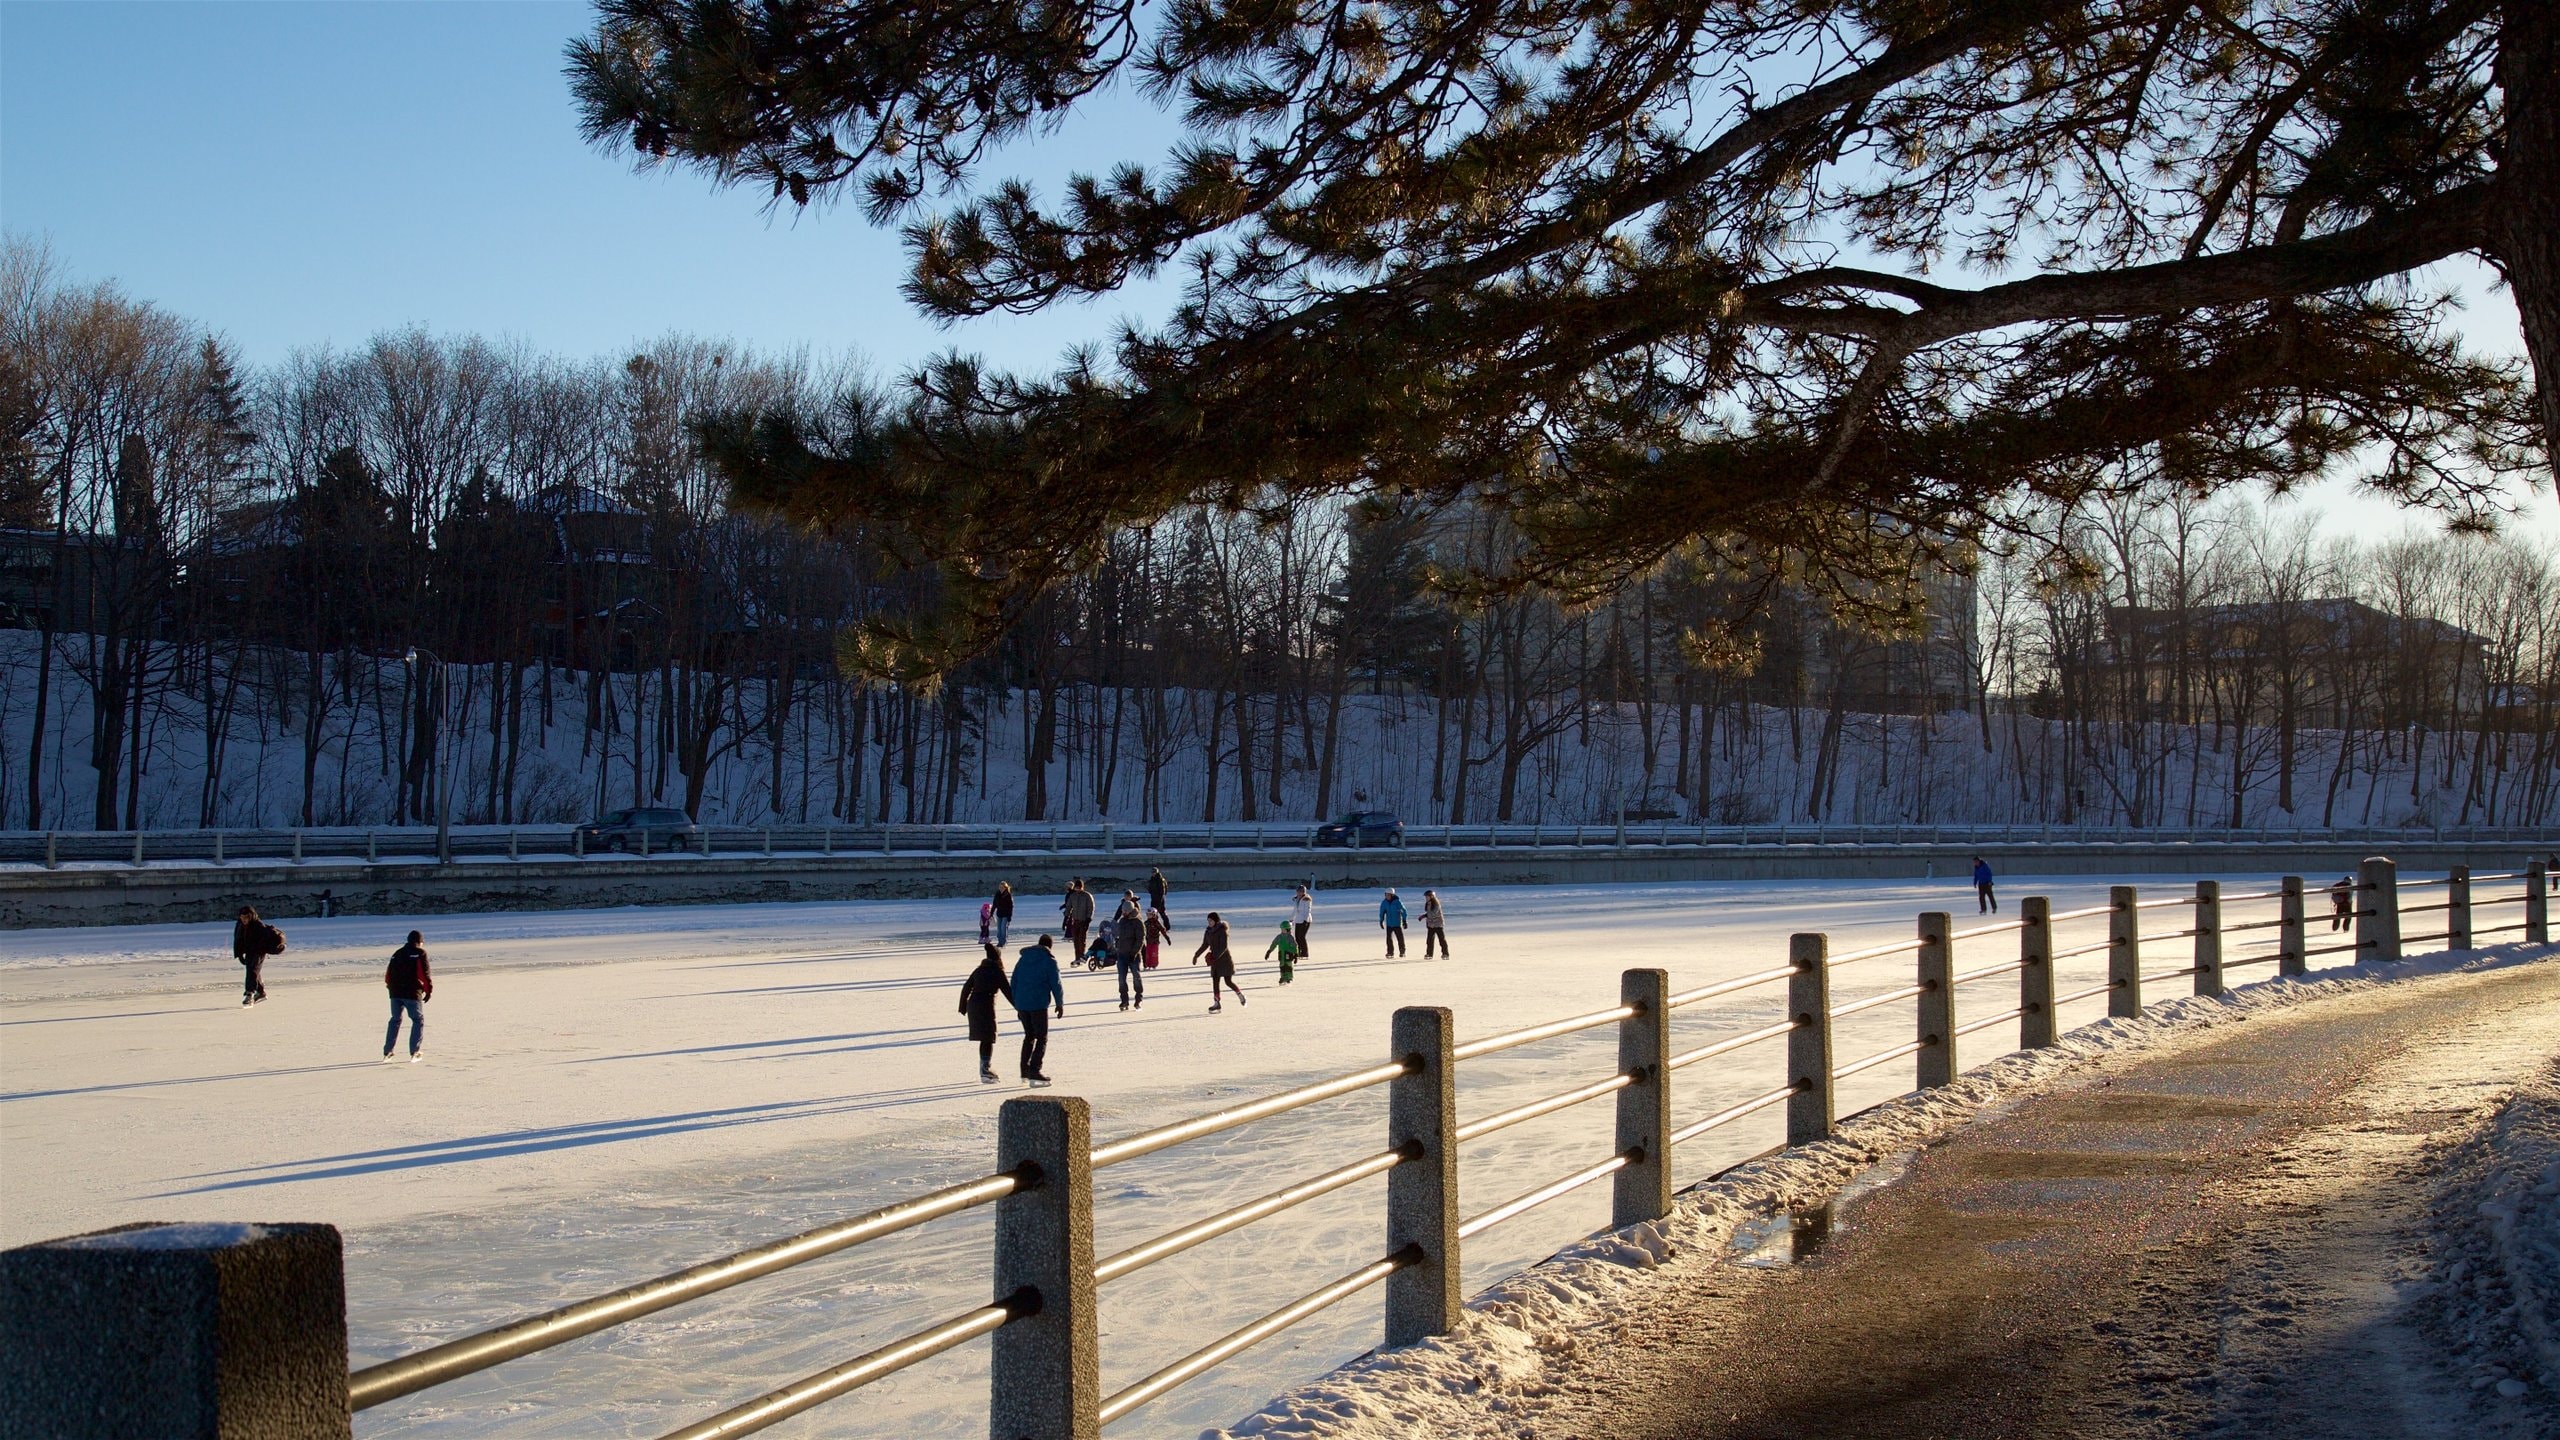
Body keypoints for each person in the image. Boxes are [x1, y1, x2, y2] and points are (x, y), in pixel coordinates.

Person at [1009, 934, 1067, 1085]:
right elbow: (1056, 984)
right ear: (1050, 946)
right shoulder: (1049, 960)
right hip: (1038, 1004)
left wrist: (1017, 1003)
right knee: (1041, 1037)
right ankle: (1034, 1070)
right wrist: (1059, 1004)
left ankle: (1024, 1071)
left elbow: (1014, 982)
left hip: (1022, 1003)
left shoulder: (1022, 959)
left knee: (1029, 1036)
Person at [958, 944, 1012, 1083]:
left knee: (985, 1037)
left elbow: (966, 987)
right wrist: (1021, 1009)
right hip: (985, 1005)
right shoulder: (997, 971)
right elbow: (1008, 992)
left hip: (973, 1004)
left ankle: (984, 1068)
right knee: (988, 1037)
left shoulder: (979, 970)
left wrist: (963, 1006)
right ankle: (985, 1070)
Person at [383, 931, 431, 1062]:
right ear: (419, 941)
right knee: (418, 1019)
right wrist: (428, 990)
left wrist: (391, 988)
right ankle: (414, 1051)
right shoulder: (420, 953)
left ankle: (388, 1051)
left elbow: (388, 975)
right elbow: (423, 974)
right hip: (411, 992)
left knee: (395, 1020)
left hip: (395, 993)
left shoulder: (397, 953)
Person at [1194, 911, 1247, 1011]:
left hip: (1224, 959)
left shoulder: (1222, 930)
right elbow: (1205, 945)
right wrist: (1196, 955)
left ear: (1216, 920)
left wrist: (1215, 956)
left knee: (1228, 981)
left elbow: (1224, 947)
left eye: (1211, 920)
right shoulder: (1208, 931)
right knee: (1215, 981)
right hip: (1215, 960)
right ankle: (1217, 1002)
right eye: (1208, 920)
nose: (1209, 922)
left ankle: (1240, 995)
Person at [231, 905, 277, 1005]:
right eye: (242, 917)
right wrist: (239, 954)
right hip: (249, 951)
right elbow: (237, 939)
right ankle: (261, 992)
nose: (244, 919)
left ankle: (249, 994)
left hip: (258, 952)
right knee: (254, 971)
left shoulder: (258, 925)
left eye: (246, 917)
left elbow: (264, 941)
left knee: (252, 971)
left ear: (251, 916)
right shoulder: (240, 925)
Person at [1113, 908, 1147, 1011]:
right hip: (1122, 954)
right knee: (1121, 979)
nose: (1123, 913)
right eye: (1123, 911)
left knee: (1136, 976)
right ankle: (1124, 1000)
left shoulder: (1138, 923)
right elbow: (1118, 935)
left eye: (1125, 911)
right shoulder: (1122, 921)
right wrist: (1117, 946)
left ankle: (1138, 999)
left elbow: (1140, 940)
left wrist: (1134, 953)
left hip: (1133, 955)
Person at [1061, 880, 1094, 961]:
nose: (1077, 889)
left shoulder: (1087, 896)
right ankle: (1077, 957)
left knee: (1081, 939)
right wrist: (1065, 919)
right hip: (1075, 921)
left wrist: (1089, 919)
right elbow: (1068, 907)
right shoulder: (1073, 896)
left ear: (1082, 887)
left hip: (1084, 921)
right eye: (1076, 888)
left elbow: (1091, 908)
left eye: (1079, 888)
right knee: (1075, 940)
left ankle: (1081, 956)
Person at [1378, 889, 1409, 957]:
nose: (1387, 896)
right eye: (1386, 895)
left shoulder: (1397, 902)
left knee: (1400, 938)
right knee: (1389, 939)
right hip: (1389, 924)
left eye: (1388, 895)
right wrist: (1381, 921)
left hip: (1397, 924)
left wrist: (1404, 921)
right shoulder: (1384, 902)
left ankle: (1402, 951)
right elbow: (1382, 912)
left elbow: (1403, 911)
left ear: (1392, 895)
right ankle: (1390, 952)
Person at [1422, 889, 1449, 958]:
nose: (1426, 898)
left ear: (1431, 896)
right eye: (1425, 897)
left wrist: (1425, 915)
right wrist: (1424, 916)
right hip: (1431, 925)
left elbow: (1434, 914)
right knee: (1429, 940)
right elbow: (1429, 913)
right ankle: (1429, 954)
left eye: (1427, 897)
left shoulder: (1436, 903)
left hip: (1438, 924)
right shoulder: (1428, 904)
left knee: (1441, 940)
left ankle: (1445, 954)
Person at [1290, 885, 1315, 960]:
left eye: (1301, 892)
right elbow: (1295, 910)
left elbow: (1308, 910)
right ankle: (1299, 951)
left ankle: (1305, 953)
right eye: (1298, 891)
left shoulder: (1307, 900)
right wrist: (1291, 919)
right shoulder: (1296, 899)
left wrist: (1305, 920)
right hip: (1298, 920)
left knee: (1302, 937)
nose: (1299, 893)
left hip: (1305, 920)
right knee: (1297, 937)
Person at [992, 882, 1015, 946]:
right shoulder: (997, 894)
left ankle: (1003, 942)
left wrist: (1010, 916)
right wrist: (991, 913)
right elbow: (994, 905)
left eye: (1002, 887)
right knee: (999, 929)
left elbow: (1011, 907)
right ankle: (1000, 942)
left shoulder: (1008, 895)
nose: (1001, 889)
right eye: (1000, 887)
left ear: (1005, 888)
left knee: (1003, 928)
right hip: (999, 914)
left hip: (1006, 914)